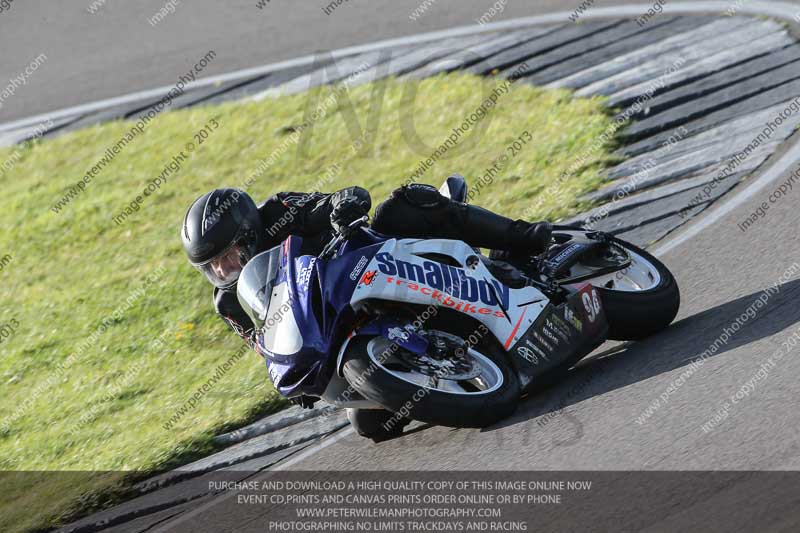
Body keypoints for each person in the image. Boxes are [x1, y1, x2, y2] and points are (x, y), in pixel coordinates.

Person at [181, 181, 552, 440]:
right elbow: (263, 343)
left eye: (227, 258)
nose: (221, 271)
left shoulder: (279, 211)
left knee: (404, 205)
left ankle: (521, 237)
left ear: (248, 233)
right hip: (337, 329)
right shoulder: (229, 302)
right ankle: (448, 365)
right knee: (370, 425)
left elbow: (339, 198)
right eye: (211, 266)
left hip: (367, 268)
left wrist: (343, 207)